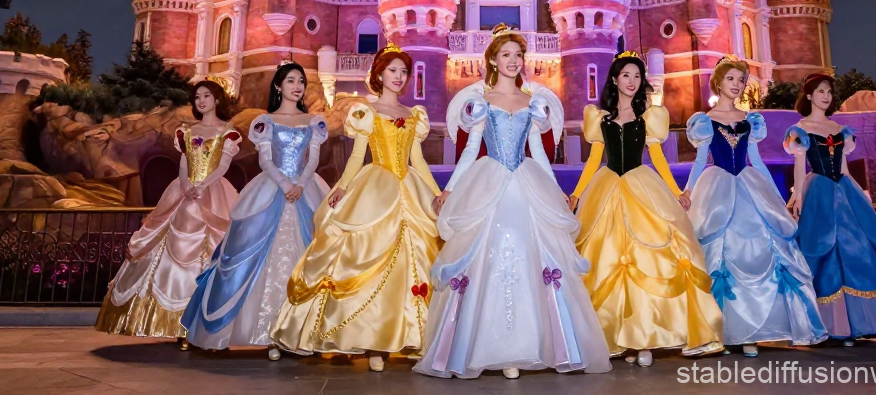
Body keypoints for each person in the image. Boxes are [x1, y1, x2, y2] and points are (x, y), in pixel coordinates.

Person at [413, 24, 611, 380]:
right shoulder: (480, 103)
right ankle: (489, 347)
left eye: (518, 55)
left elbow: (537, 151)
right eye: (506, 55)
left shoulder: (532, 104)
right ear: (492, 59)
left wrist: (556, 193)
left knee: (530, 251)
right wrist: (450, 190)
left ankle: (530, 345)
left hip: (524, 181)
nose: (514, 61)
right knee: (486, 253)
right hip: (489, 180)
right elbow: (471, 149)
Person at [270, 44, 442, 370]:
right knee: (367, 256)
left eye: (403, 71)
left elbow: (417, 160)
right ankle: (373, 343)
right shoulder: (367, 111)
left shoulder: (413, 115)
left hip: (409, 189)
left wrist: (437, 193)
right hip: (376, 187)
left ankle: (414, 335)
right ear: (379, 74)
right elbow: (356, 155)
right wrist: (343, 188)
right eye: (392, 70)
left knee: (416, 256)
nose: (399, 76)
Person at [568, 53, 723, 364]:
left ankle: (646, 340)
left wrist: (677, 191)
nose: (631, 81)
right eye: (626, 75)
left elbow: (659, 158)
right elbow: (594, 160)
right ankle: (619, 337)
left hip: (641, 185)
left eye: (636, 76)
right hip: (608, 187)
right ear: (614, 79)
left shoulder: (649, 118)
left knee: (649, 255)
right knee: (608, 258)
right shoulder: (600, 120)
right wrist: (575, 194)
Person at [181, 61, 328, 355]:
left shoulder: (314, 122)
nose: (297, 86)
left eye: (300, 81)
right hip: (272, 189)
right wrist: (285, 185)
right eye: (290, 81)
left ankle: (299, 333)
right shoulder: (265, 121)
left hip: (305, 189)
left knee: (312, 253)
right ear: (278, 86)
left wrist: (299, 183)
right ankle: (265, 333)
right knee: (248, 252)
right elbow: (265, 160)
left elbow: (312, 159)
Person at [682, 57, 825, 356]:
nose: (737, 85)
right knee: (718, 255)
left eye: (741, 80)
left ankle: (750, 334)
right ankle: (719, 331)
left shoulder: (751, 121)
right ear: (719, 82)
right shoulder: (705, 121)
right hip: (717, 188)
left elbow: (757, 162)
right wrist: (687, 193)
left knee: (761, 251)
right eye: (732, 79)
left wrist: (777, 199)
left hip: (748, 186)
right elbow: (699, 161)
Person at [784, 72, 876, 342]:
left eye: (829, 91)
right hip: (819, 193)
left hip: (844, 192)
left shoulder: (840, 130)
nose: (826, 96)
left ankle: (859, 324)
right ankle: (829, 327)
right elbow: (799, 168)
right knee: (824, 252)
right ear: (810, 95)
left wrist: (861, 193)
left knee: (859, 250)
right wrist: (798, 197)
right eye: (821, 91)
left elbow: (845, 169)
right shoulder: (800, 129)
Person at [96, 79, 240, 342]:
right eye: (197, 97)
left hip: (214, 191)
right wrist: (186, 186)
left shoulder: (227, 131)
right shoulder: (187, 131)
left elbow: (223, 166)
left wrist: (203, 185)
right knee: (168, 240)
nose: (201, 101)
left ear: (217, 100)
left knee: (216, 247)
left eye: (206, 96)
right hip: (184, 193)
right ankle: (176, 325)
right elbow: (184, 162)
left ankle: (209, 324)